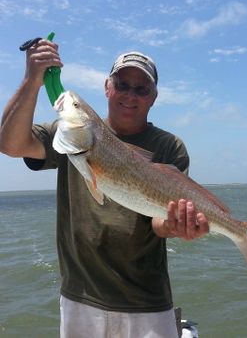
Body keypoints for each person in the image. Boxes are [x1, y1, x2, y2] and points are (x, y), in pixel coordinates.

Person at [0, 38, 209, 338]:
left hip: (146, 301)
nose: (130, 95)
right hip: (80, 296)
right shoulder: (71, 133)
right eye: (122, 84)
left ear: (153, 97)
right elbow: (10, 144)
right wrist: (33, 80)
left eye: (141, 89)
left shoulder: (168, 146)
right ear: (107, 87)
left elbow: (160, 223)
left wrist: (180, 226)